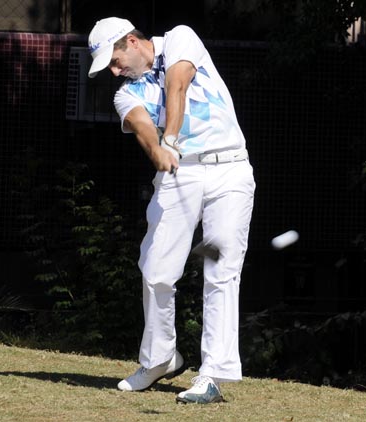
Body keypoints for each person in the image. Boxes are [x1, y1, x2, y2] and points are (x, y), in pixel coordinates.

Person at [87, 17, 256, 404]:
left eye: (115, 61)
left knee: (221, 270)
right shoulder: (124, 94)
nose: (115, 72)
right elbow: (142, 127)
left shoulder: (180, 38)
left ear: (131, 41)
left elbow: (177, 85)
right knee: (155, 269)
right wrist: (159, 150)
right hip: (180, 172)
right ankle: (161, 357)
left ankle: (212, 374)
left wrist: (171, 139)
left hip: (229, 167)